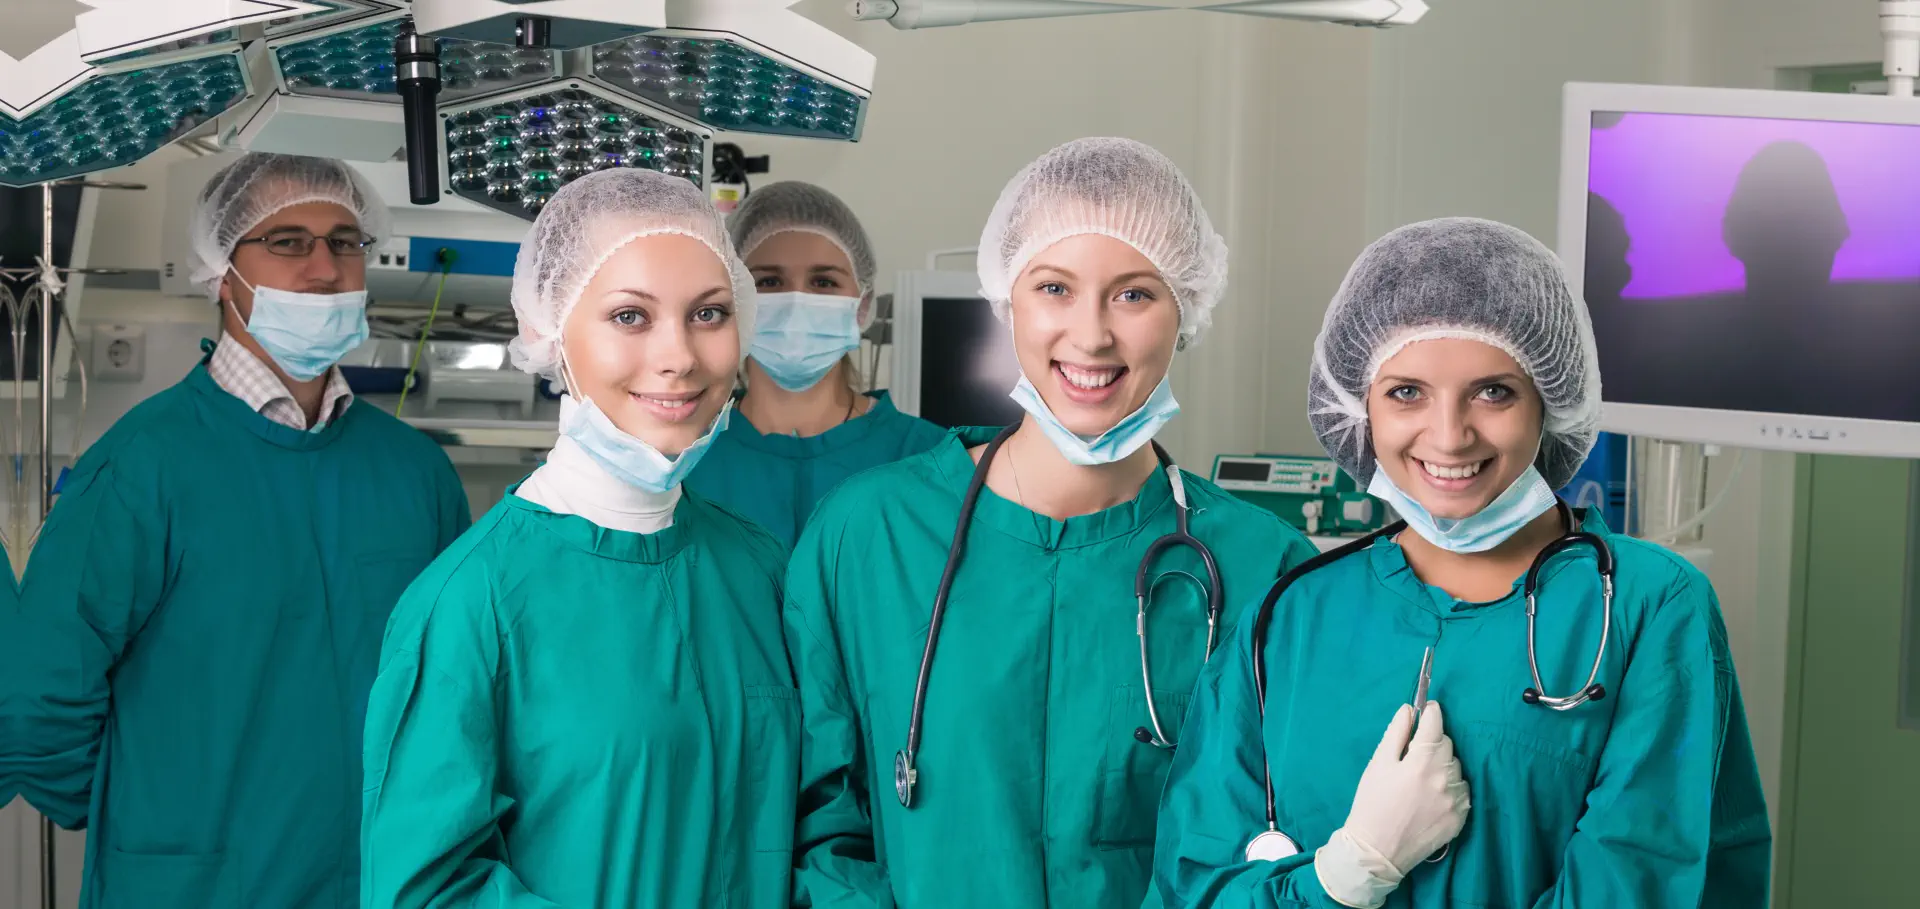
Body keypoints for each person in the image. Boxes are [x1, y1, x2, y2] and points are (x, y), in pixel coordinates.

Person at [1151, 217, 1773, 908]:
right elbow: (1195, 885)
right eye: (1407, 392)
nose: (1449, 436)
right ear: (1358, 407)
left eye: (1493, 391)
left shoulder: (1645, 606)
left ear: (1551, 397)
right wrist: (1345, 874)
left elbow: (1635, 884)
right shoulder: (1290, 615)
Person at [785, 137, 1320, 909]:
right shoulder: (868, 536)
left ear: (1188, 311)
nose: (1093, 335)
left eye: (1135, 294)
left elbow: (1270, 833)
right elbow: (824, 820)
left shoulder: (1262, 568)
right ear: (1007, 301)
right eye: (1054, 287)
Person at [9, 152, 471, 909]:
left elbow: (456, 685)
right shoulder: (141, 466)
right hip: (188, 883)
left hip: (375, 883)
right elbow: (40, 695)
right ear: (221, 272)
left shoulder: (416, 476)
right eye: (287, 241)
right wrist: (158, 817)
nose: (324, 268)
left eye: (345, 241)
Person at [359, 168, 797, 909]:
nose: (680, 356)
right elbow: (425, 891)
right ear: (550, 331)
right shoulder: (471, 604)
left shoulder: (760, 569)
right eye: (630, 316)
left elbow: (815, 819)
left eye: (709, 313)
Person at [685, 181, 944, 547]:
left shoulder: (930, 460)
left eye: (823, 282)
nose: (797, 302)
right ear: (733, 299)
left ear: (863, 305)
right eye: (769, 281)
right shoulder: (687, 455)